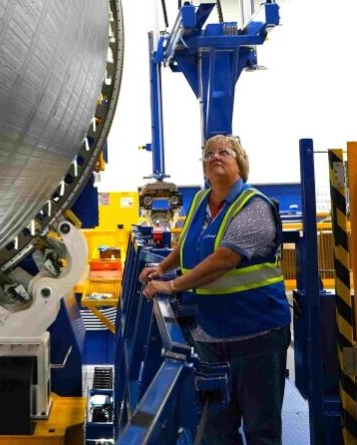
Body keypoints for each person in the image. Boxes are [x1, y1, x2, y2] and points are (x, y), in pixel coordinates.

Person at [140, 134, 291, 445]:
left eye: (225, 152)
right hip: (210, 335)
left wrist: (171, 285)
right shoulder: (199, 201)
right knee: (215, 430)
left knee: (261, 428)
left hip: (256, 336)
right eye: (209, 154)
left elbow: (223, 260)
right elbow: (186, 245)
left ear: (240, 163)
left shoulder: (254, 207)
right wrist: (163, 267)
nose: (215, 157)